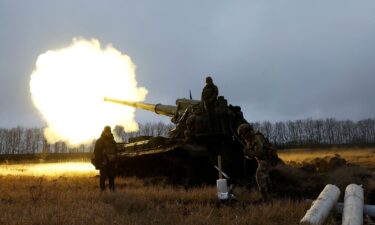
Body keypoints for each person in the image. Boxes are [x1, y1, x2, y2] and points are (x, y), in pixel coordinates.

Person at [237, 123, 281, 199]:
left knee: (260, 174)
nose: (243, 137)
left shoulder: (256, 138)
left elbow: (260, 153)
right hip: (262, 160)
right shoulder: (249, 140)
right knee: (266, 177)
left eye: (243, 134)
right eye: (241, 135)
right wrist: (247, 154)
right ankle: (271, 194)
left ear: (247, 132)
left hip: (267, 159)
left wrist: (249, 153)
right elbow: (252, 157)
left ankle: (266, 197)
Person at [94, 126, 118, 191]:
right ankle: (102, 190)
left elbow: (116, 152)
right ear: (104, 132)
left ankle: (112, 189)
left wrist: (116, 162)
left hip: (111, 162)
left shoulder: (113, 141)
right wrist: (99, 162)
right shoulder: (100, 141)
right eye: (106, 132)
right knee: (103, 177)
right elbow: (96, 152)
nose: (107, 133)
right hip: (103, 162)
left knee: (111, 176)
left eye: (109, 132)